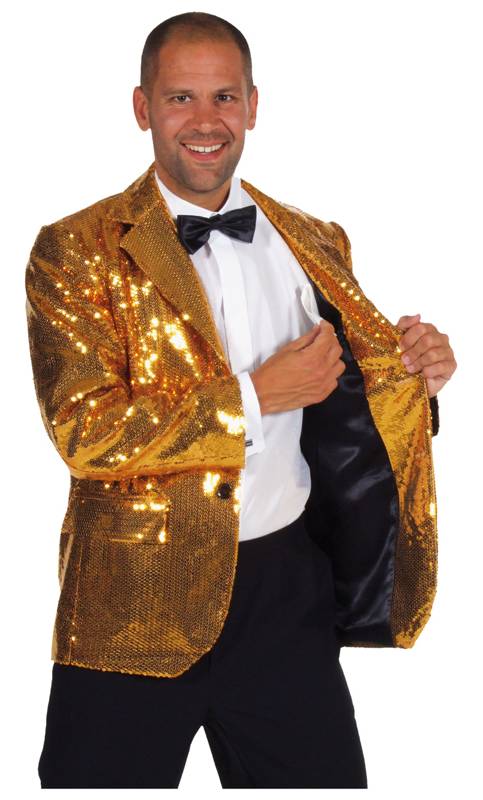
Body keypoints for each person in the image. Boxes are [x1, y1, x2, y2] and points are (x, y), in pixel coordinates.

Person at [25, 11, 457, 790]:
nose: (204, 120)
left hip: (286, 593)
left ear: (252, 106)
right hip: (133, 604)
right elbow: (85, 431)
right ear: (142, 108)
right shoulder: (74, 249)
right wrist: (252, 398)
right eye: (180, 97)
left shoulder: (316, 240)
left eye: (223, 96)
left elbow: (348, 396)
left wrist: (413, 375)